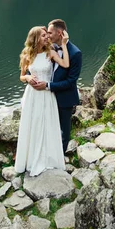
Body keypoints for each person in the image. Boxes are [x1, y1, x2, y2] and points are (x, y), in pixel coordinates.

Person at [14, 26, 69, 176]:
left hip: (46, 93)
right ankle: (31, 159)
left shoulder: (50, 53)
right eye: (43, 36)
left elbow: (65, 64)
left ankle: (49, 158)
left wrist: (64, 44)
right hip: (32, 95)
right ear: (36, 38)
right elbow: (21, 76)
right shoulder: (27, 56)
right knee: (35, 124)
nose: (47, 38)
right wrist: (28, 78)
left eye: (47, 35)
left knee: (48, 124)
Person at [32, 19, 82, 153]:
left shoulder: (75, 53)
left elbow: (71, 81)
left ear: (59, 33)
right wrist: (28, 77)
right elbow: (32, 62)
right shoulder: (49, 47)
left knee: (63, 131)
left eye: (50, 32)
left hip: (64, 98)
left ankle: (60, 160)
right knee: (46, 128)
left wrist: (48, 85)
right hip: (45, 97)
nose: (47, 35)